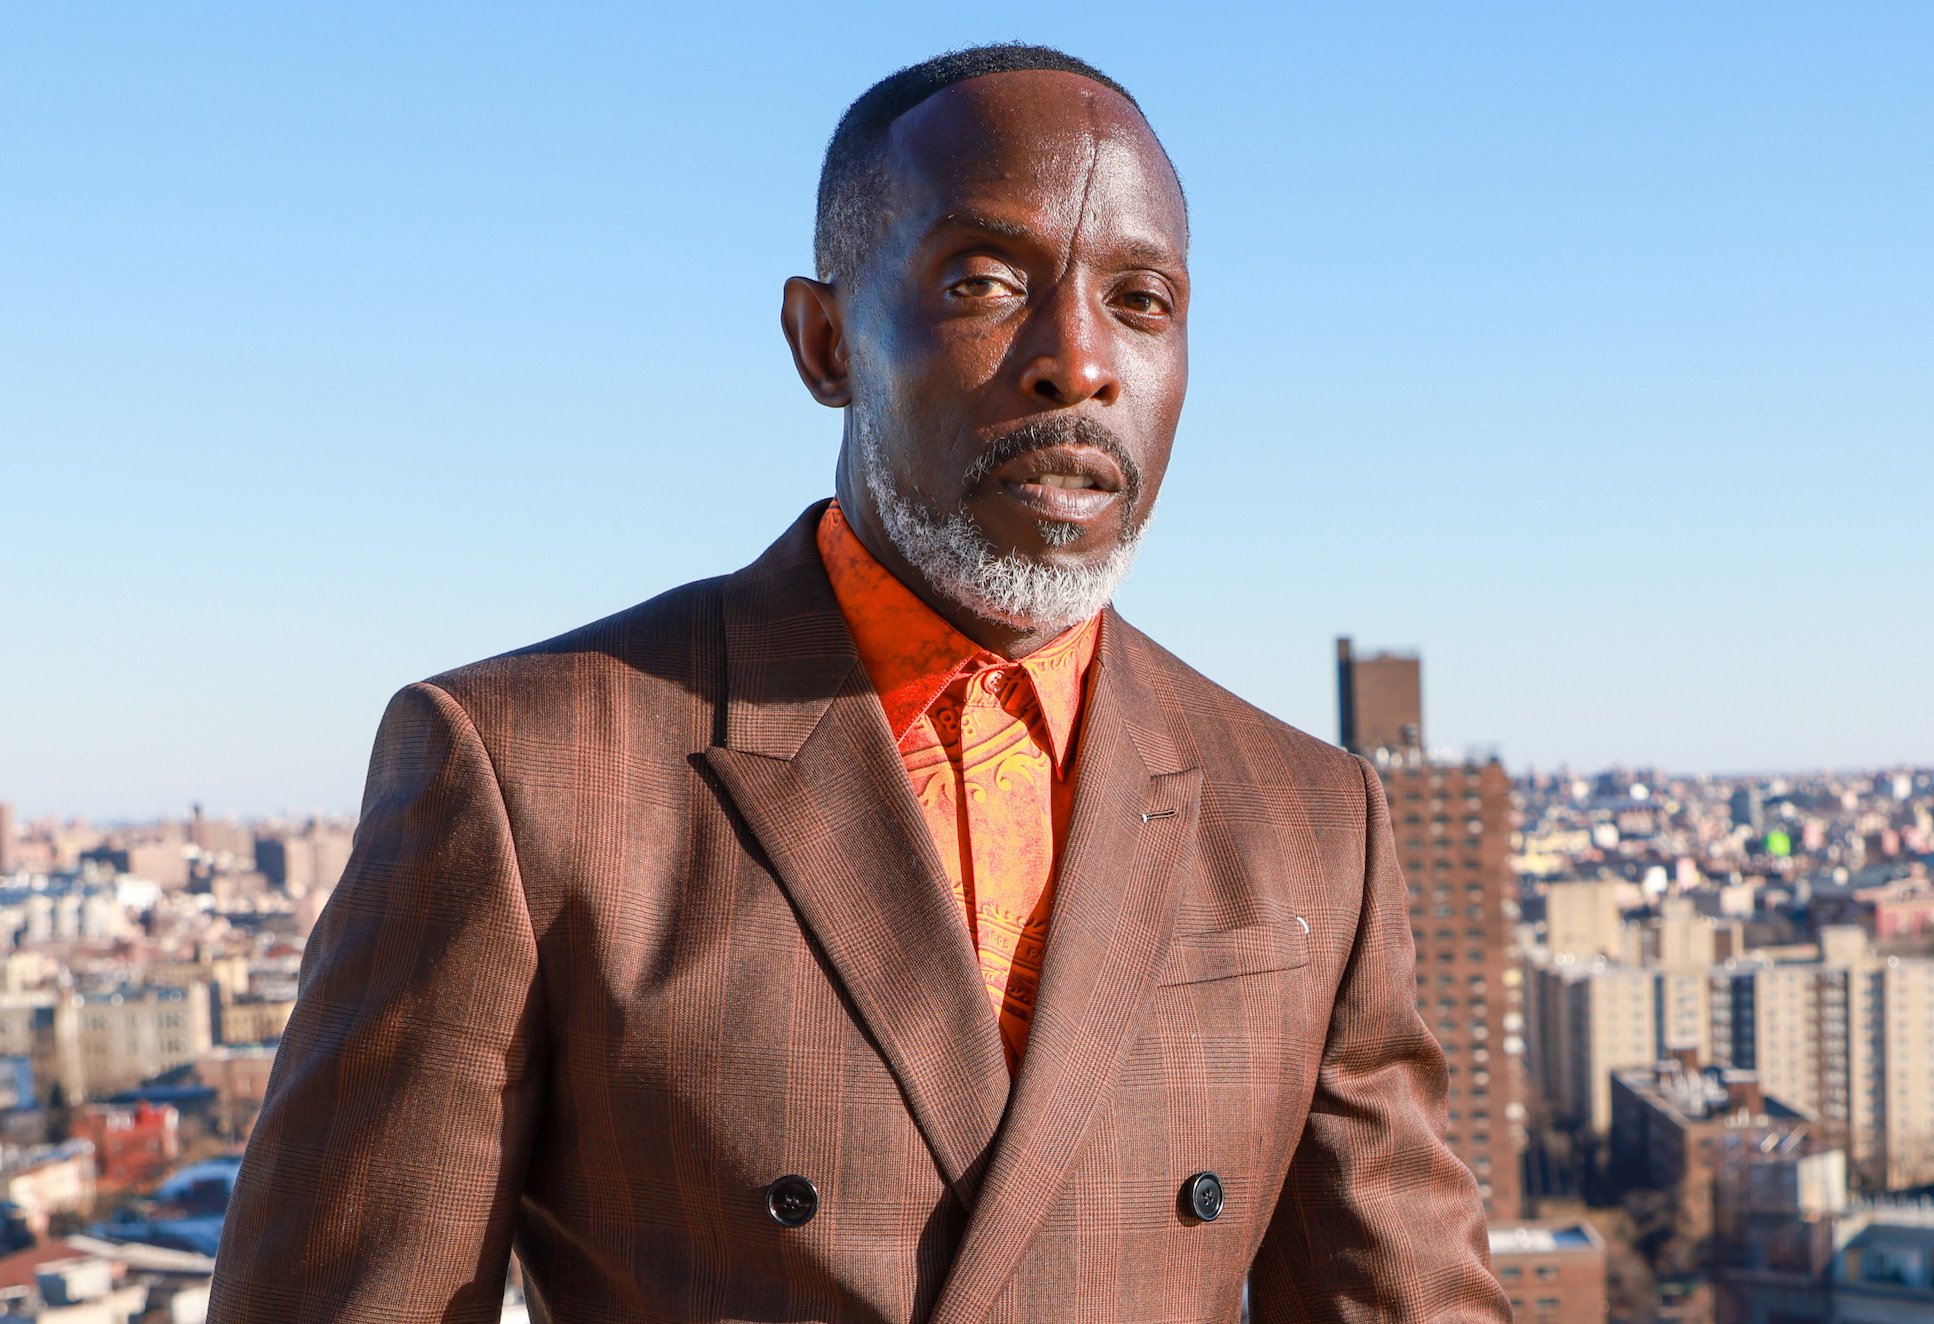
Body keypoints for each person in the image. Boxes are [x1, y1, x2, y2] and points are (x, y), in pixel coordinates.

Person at [209, 44, 1511, 1323]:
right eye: (985, 281)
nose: (1080, 360)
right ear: (823, 340)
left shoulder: (1306, 815)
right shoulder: (529, 770)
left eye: (1141, 300)